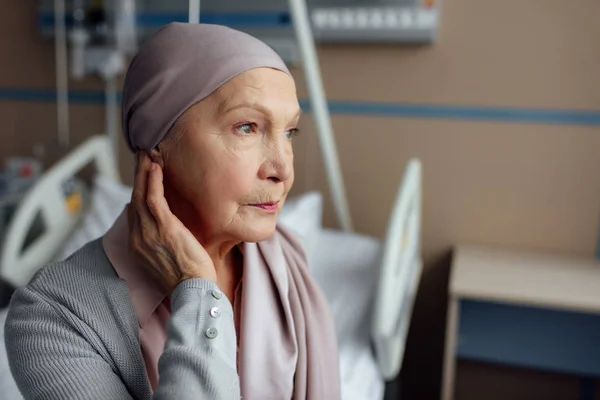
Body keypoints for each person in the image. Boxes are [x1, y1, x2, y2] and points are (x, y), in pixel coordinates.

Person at [5, 23, 340, 400]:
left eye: (289, 132)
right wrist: (196, 291)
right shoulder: (54, 319)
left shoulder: (284, 258)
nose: (283, 169)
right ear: (157, 145)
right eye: (247, 127)